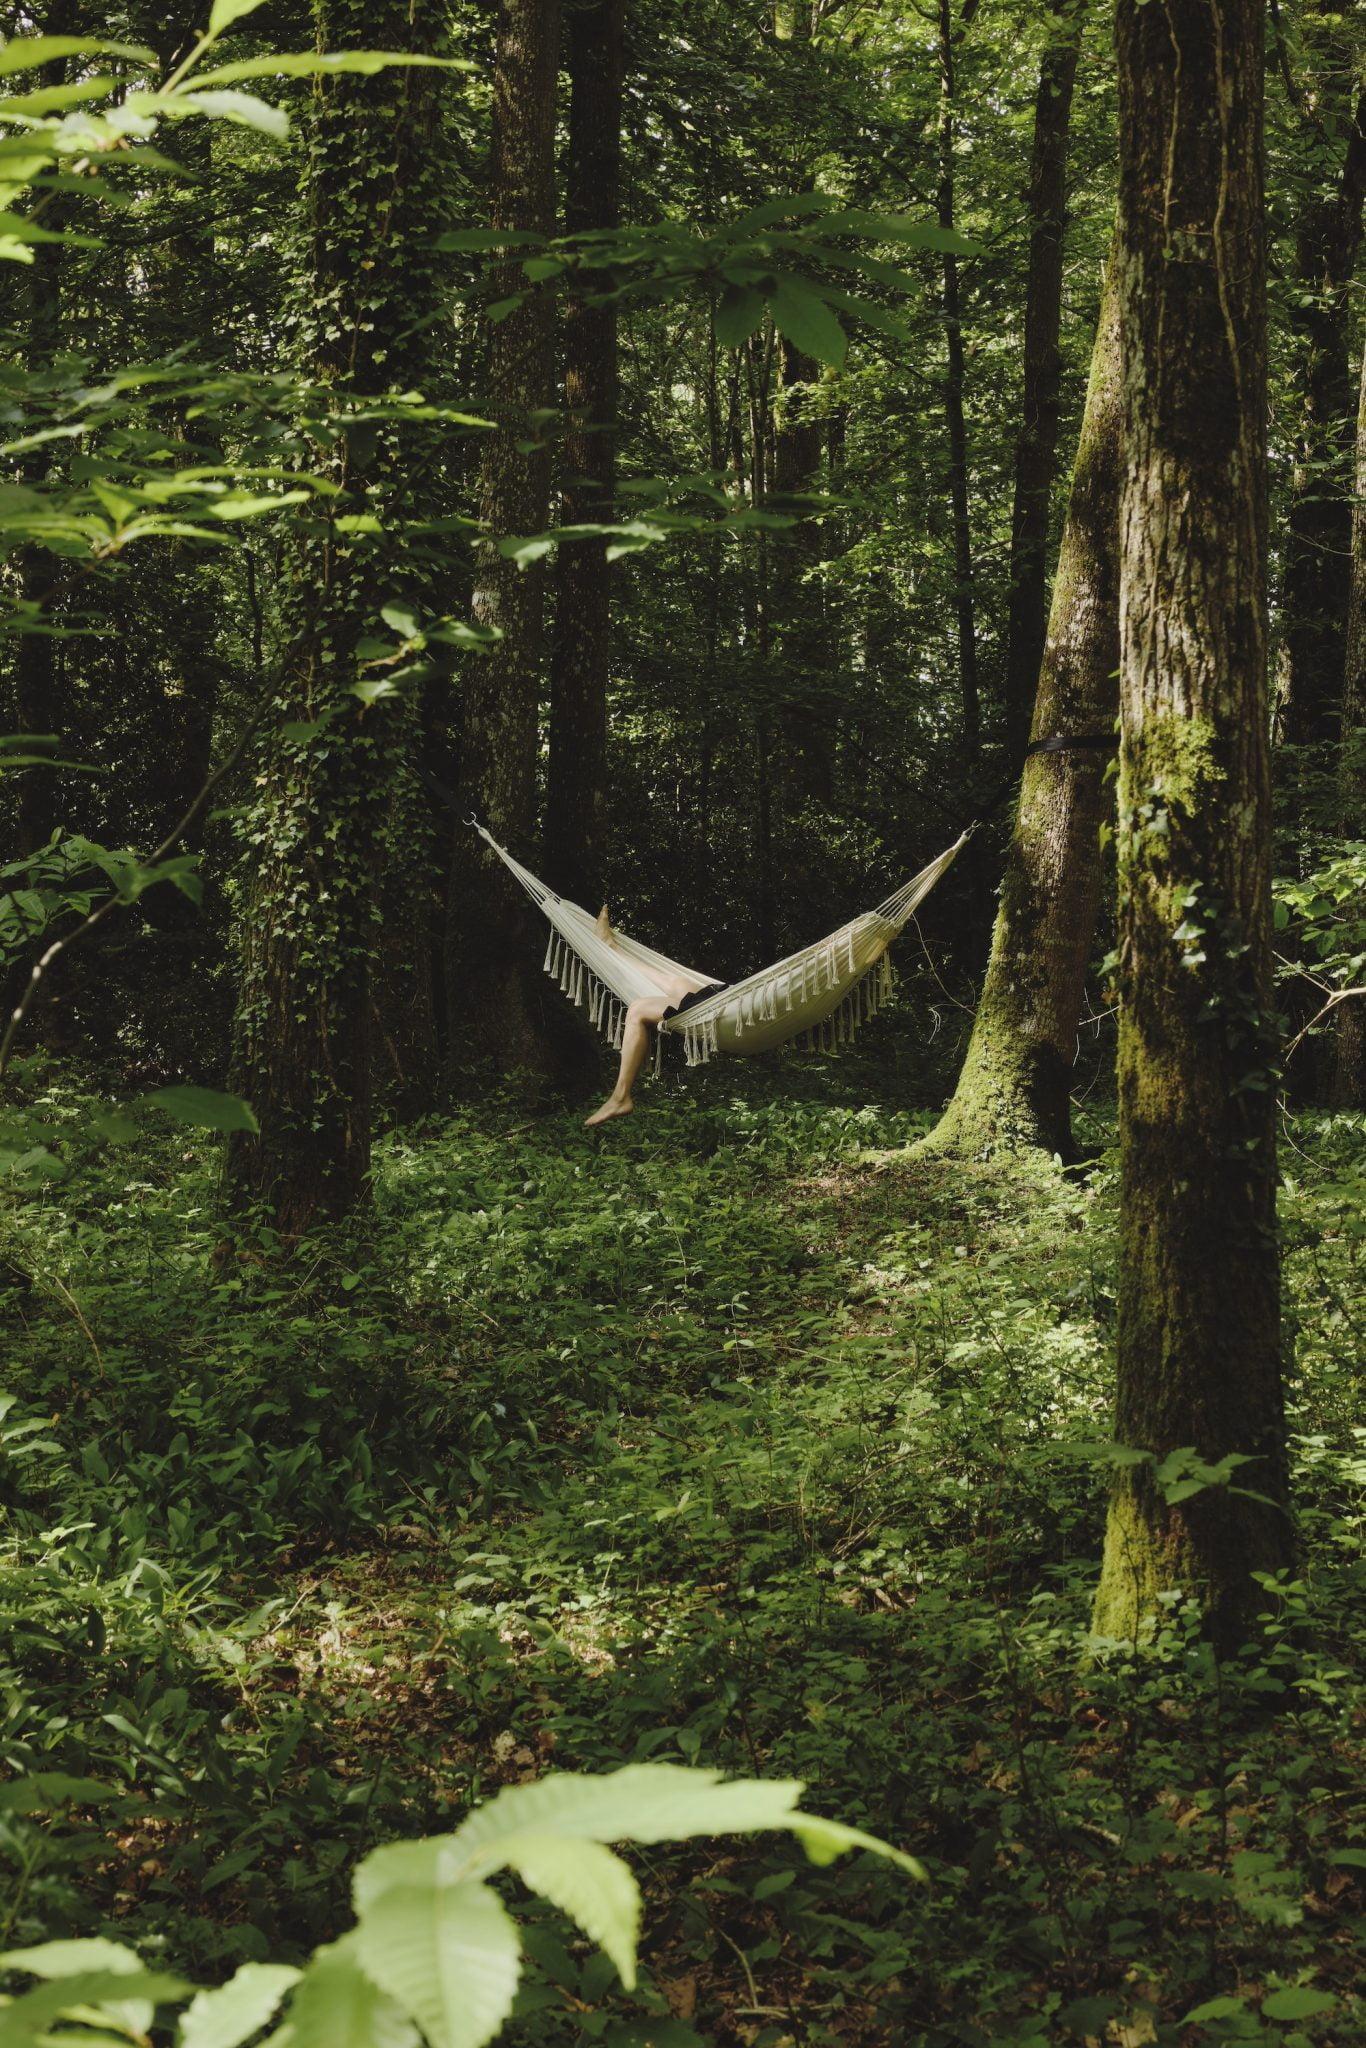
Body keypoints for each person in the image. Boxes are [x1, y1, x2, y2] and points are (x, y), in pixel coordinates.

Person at [584, 906, 726, 1126]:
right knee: (677, 983)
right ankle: (610, 946)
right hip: (724, 998)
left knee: (638, 1010)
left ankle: (620, 1097)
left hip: (731, 1004)